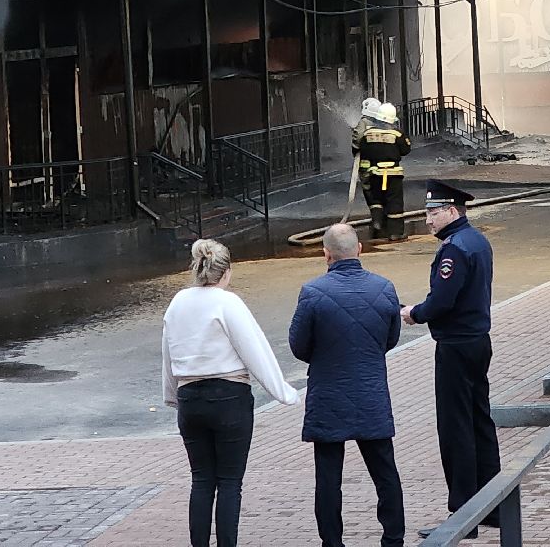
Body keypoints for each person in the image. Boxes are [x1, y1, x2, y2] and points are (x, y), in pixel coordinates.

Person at [162, 238, 301, 547]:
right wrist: (283, 392)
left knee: (201, 480)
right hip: (229, 397)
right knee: (229, 482)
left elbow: (168, 353)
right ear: (225, 272)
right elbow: (254, 349)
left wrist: (172, 395)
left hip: (190, 399)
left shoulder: (178, 302)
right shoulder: (228, 302)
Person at [288, 223, 405, 547]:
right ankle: (393, 539)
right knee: (385, 472)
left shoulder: (312, 292)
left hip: (329, 394)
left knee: (328, 477)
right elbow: (390, 338)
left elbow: (298, 347)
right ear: (360, 250)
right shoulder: (384, 288)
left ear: (326, 254)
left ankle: (333, 542)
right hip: (371, 392)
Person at [401, 182, 500, 537]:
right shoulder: (477, 240)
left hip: (456, 346)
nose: (427, 220)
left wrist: (415, 313)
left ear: (452, 211)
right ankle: (493, 507)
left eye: (432, 212)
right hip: (477, 341)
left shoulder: (454, 250)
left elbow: (442, 301)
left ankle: (462, 514)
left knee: (456, 428)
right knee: (480, 423)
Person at [354, 102, 411, 239]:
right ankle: (395, 233)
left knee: (376, 199)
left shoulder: (367, 134)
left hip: (374, 173)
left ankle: (377, 223)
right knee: (394, 201)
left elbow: (360, 149)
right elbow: (405, 150)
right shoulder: (397, 134)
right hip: (393, 174)